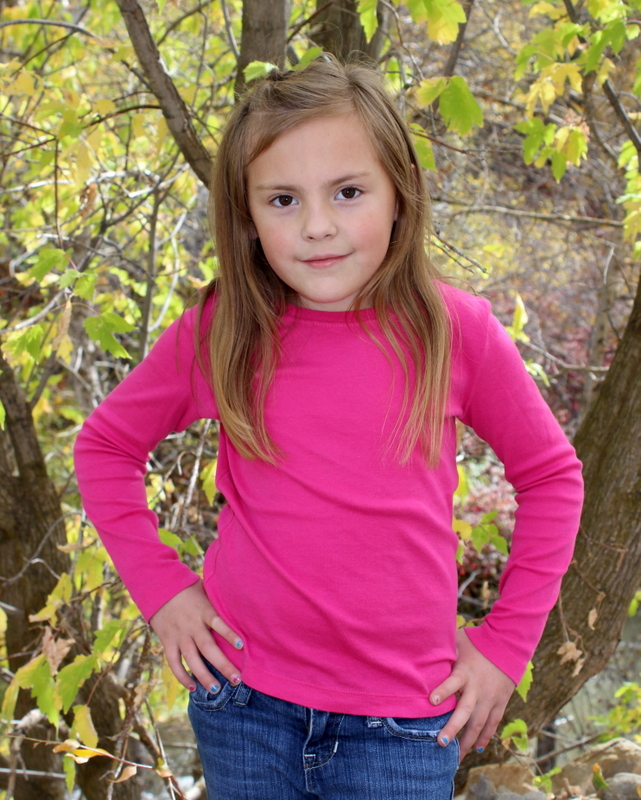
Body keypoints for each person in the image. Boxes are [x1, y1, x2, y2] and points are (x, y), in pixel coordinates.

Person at [74, 56, 584, 800]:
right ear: (247, 216)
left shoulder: (454, 331)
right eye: (283, 199)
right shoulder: (225, 329)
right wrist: (163, 591)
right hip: (242, 702)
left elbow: (552, 477)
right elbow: (105, 446)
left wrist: (505, 644)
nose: (317, 226)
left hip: (402, 722)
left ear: (399, 194)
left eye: (348, 192)